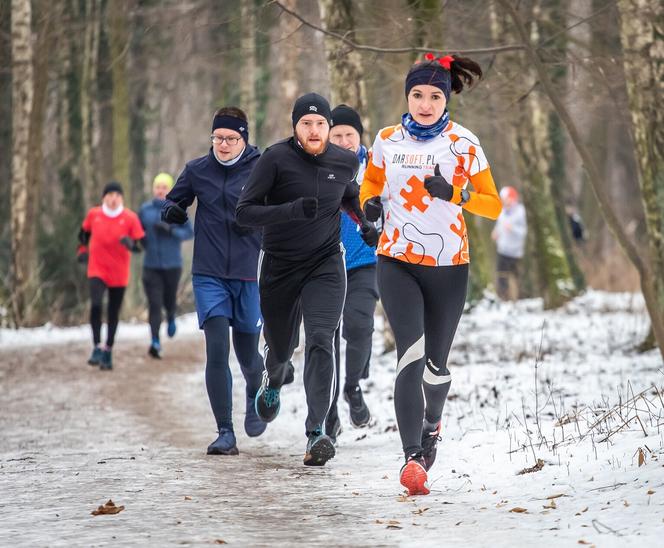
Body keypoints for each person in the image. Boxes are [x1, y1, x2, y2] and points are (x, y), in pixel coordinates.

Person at [360, 53, 502, 495]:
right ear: (407, 96)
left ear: (447, 100)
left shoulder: (465, 144)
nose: (425, 103)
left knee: (436, 367)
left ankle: (432, 424)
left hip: (449, 266)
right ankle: (412, 459)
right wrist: (369, 205)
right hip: (396, 259)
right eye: (417, 94)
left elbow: (493, 205)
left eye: (435, 96)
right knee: (411, 355)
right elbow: (371, 185)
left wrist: (455, 193)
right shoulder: (386, 140)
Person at [235, 93, 378, 467]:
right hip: (280, 266)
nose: (314, 131)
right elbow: (245, 212)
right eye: (306, 124)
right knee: (283, 348)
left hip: (325, 264)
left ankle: (317, 433)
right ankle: (274, 373)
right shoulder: (275, 159)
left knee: (321, 340)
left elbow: (349, 197)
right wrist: (291, 211)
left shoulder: (343, 161)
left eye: (320, 124)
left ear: (329, 128)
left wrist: (365, 223)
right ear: (295, 127)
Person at [161, 107, 267, 456]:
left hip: (249, 273)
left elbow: (276, 207)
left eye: (230, 138)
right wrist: (173, 213)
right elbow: (174, 204)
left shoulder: (260, 167)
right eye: (218, 138)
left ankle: (255, 390)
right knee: (217, 348)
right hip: (208, 273)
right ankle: (225, 432)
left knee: (249, 355)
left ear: (244, 139)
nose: (223, 144)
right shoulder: (197, 170)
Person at [326, 104, 378, 440]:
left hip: (365, 261)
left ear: (360, 136)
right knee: (326, 341)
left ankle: (352, 386)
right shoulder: (318, 165)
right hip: (325, 263)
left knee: (359, 326)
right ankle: (327, 413)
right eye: (338, 135)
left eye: (350, 134)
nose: (344, 141)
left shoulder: (376, 165)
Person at [79, 181, 145, 370]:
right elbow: (83, 234)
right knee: (96, 304)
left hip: (119, 272)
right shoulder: (94, 214)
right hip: (97, 269)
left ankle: (108, 350)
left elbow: (141, 245)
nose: (113, 199)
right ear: (104, 198)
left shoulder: (130, 218)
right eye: (109, 195)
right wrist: (82, 250)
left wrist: (131, 245)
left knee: (113, 311)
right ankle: (97, 346)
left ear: (121, 198)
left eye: (117, 195)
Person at [139, 172, 194, 359]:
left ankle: (171, 315)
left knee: (168, 300)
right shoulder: (145, 210)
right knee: (154, 303)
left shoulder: (177, 208)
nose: (160, 190)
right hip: (151, 265)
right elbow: (137, 232)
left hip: (172, 264)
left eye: (164, 187)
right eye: (157, 187)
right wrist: (139, 241)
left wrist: (171, 230)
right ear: (153, 189)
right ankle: (155, 341)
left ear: (170, 190)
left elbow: (189, 232)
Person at [491, 186, 527, 301]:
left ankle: (519, 299)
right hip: (503, 249)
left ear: (512, 198)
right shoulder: (501, 211)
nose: (503, 201)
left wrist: (512, 228)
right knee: (502, 275)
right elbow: (499, 226)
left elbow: (523, 232)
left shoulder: (520, 212)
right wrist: (496, 232)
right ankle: (504, 298)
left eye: (505, 198)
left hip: (515, 252)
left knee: (517, 277)